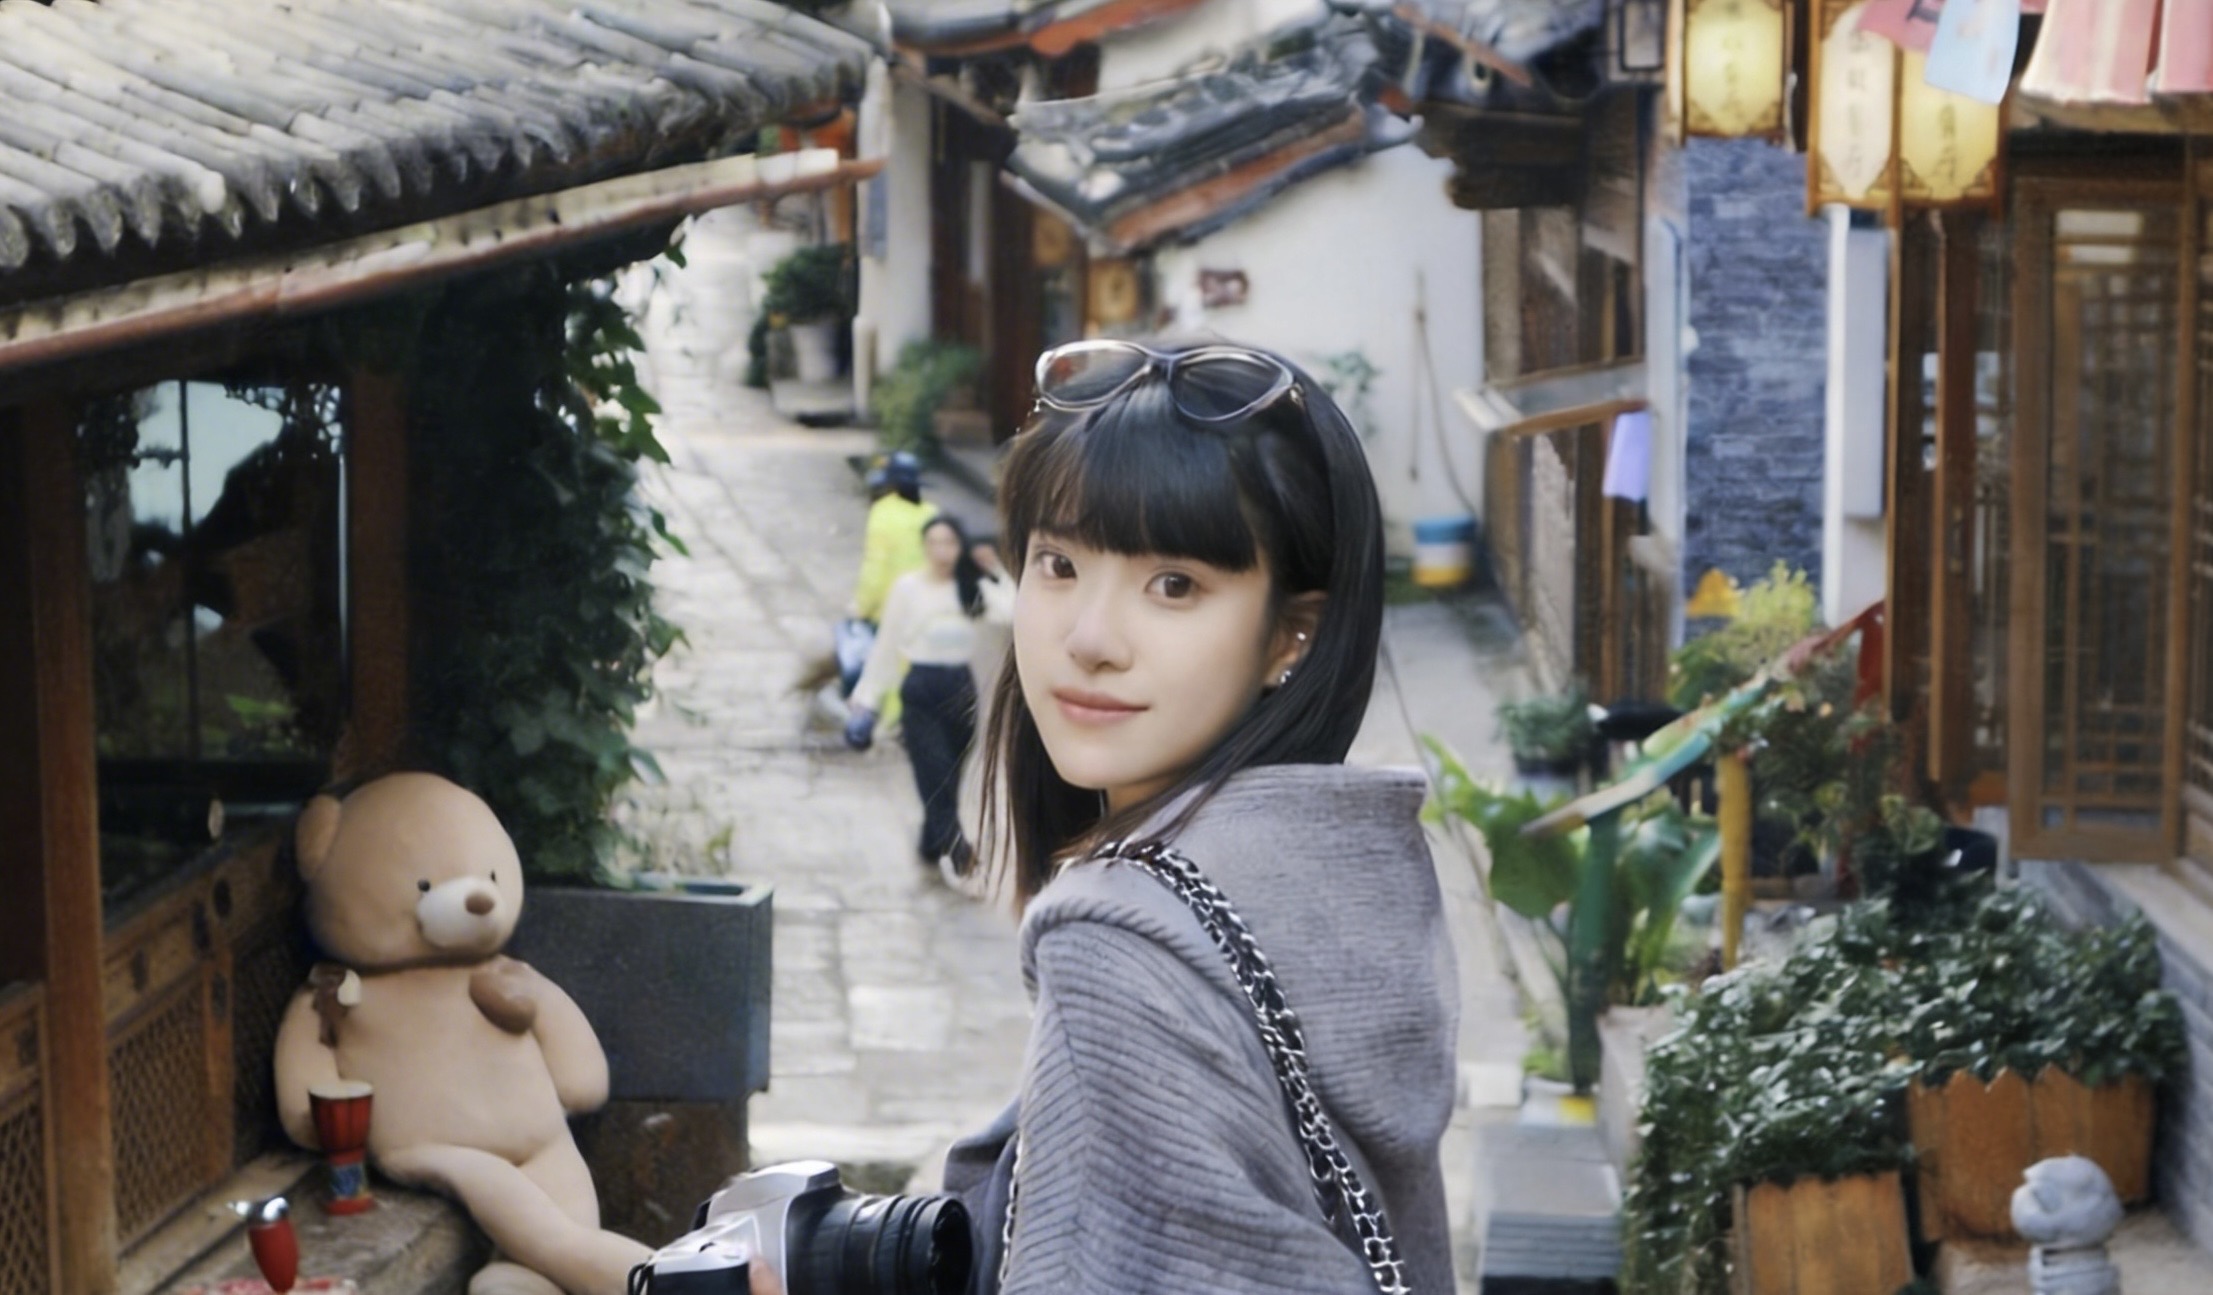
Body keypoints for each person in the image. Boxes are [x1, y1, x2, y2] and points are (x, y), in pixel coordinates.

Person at [932, 338, 1452, 1292]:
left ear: (1291, 635)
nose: (1090, 638)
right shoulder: (1339, 878)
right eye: (1057, 563)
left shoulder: (1120, 943)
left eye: (1173, 584)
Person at [845, 512, 1011, 879]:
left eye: (949, 543)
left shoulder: (970, 586)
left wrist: (995, 571)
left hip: (961, 689)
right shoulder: (908, 588)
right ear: (924, 547)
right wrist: (867, 698)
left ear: (960, 546)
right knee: (932, 769)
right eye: (933, 543)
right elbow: (887, 645)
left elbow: (1012, 613)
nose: (941, 551)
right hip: (921, 689)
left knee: (948, 775)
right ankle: (958, 849)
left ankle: (929, 843)